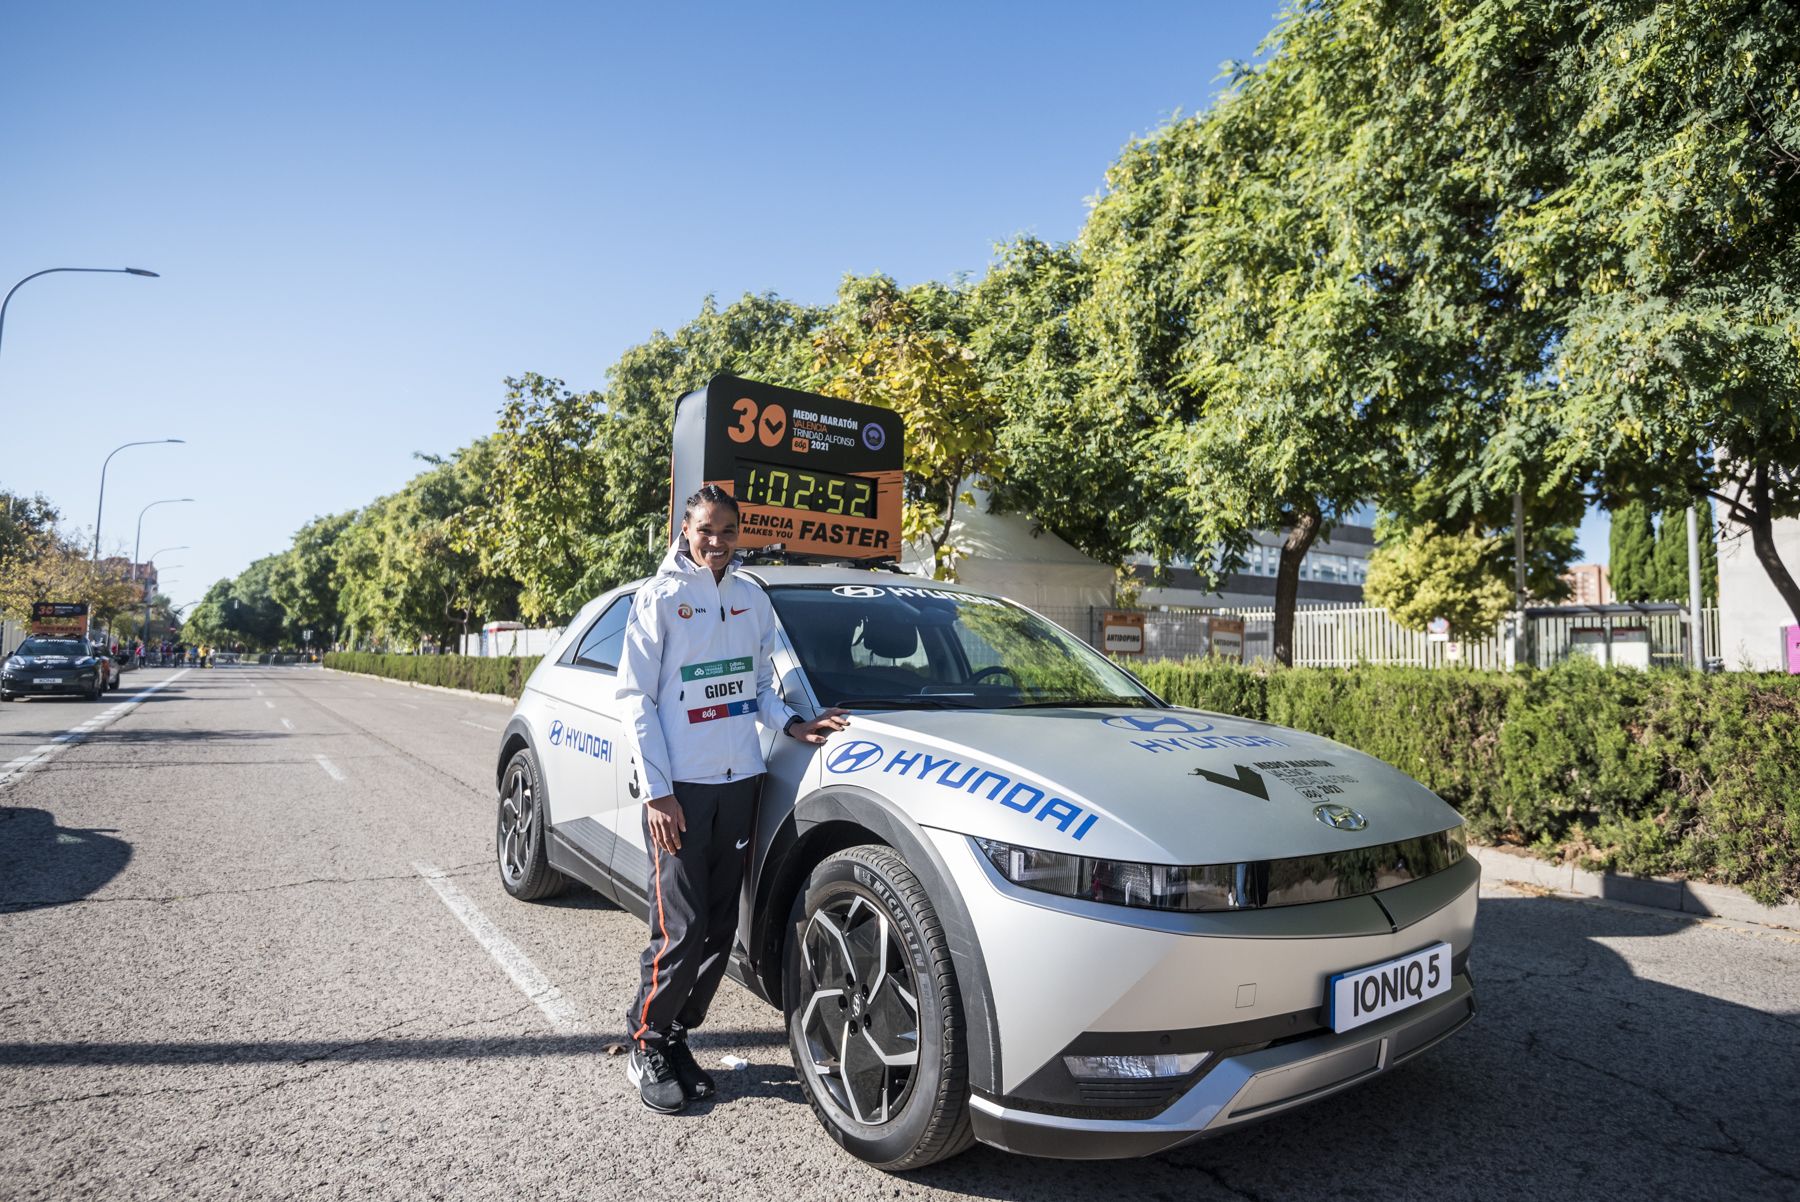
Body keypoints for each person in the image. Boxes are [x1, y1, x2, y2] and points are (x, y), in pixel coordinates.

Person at [617, 484, 848, 1114]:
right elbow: (636, 700)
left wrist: (792, 724)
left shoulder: (750, 597)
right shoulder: (658, 598)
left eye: (726, 531)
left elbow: (754, 688)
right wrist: (658, 792)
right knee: (681, 926)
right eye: (704, 529)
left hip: (739, 779)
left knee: (722, 928)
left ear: (739, 532)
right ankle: (645, 1039)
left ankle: (676, 1036)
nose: (715, 541)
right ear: (684, 528)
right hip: (681, 789)